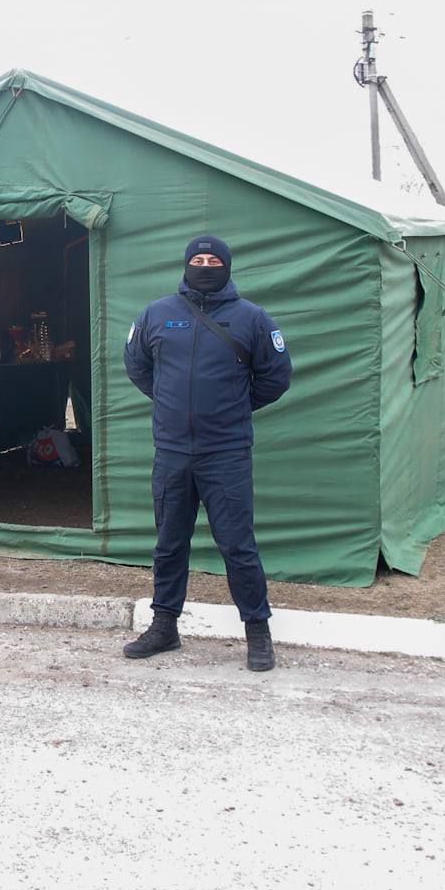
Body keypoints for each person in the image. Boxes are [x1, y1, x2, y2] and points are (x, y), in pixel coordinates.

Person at [122, 234, 292, 670]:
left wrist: (234, 408)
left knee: (238, 546)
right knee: (169, 543)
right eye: (197, 259)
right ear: (185, 265)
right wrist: (168, 402)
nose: (204, 265)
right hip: (173, 453)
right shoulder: (157, 314)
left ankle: (258, 633)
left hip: (226, 453)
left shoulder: (252, 319)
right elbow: (137, 365)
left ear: (227, 267)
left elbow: (275, 378)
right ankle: (164, 627)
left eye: (212, 260)